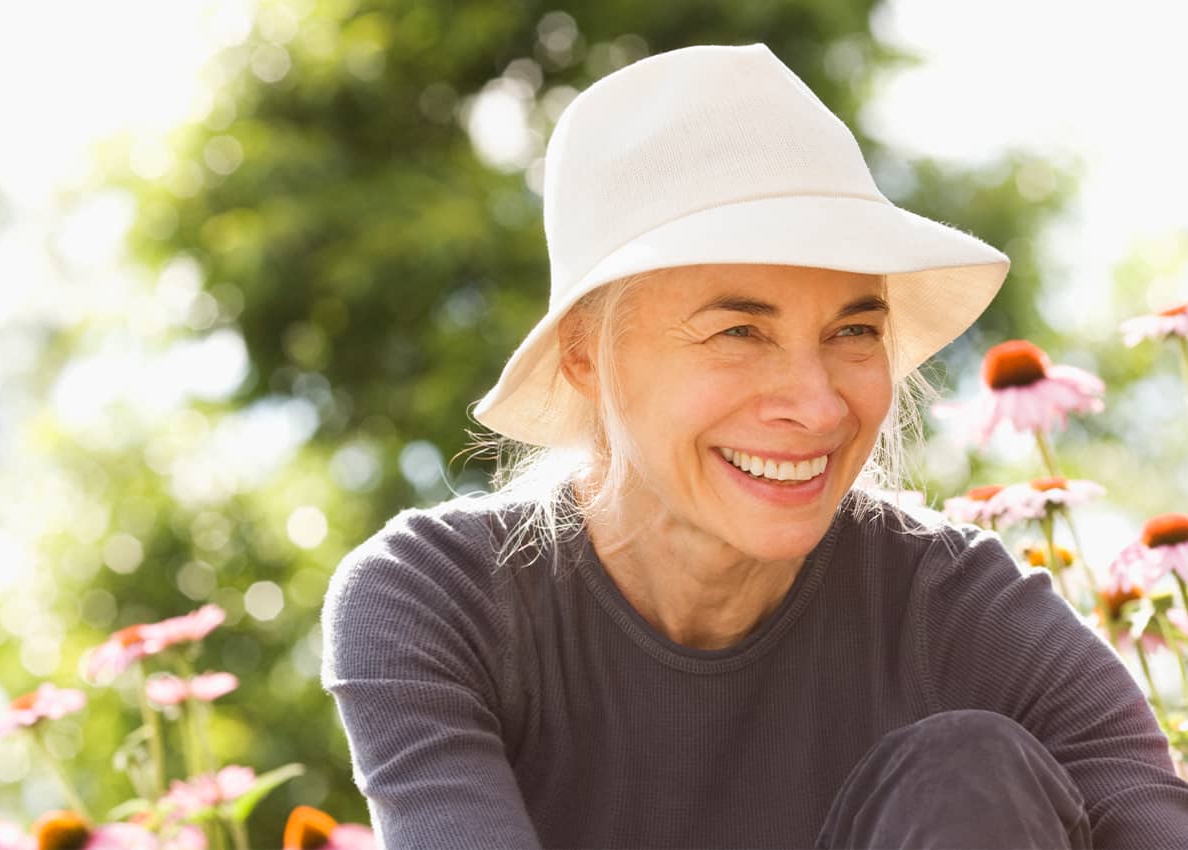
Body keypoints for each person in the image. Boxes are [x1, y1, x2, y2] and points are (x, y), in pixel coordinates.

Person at [320, 42, 1188, 848]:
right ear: (585, 352)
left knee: (966, 772)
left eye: (853, 331)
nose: (817, 407)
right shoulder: (436, 604)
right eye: (738, 330)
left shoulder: (952, 606)